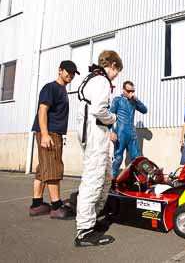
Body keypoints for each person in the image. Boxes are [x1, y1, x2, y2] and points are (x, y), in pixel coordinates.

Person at [74, 50, 123, 247]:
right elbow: (99, 110)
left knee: (104, 177)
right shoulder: (101, 81)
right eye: (116, 71)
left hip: (92, 132)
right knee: (93, 181)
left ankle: (92, 221)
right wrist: (113, 119)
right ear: (111, 65)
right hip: (95, 134)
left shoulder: (91, 78)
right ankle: (84, 231)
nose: (116, 75)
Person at [29, 60, 80, 219]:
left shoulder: (62, 90)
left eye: (73, 73)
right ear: (60, 70)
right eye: (68, 72)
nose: (70, 75)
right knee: (53, 168)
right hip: (49, 133)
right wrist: (45, 134)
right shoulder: (51, 87)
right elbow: (42, 110)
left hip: (53, 132)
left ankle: (37, 205)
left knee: (43, 169)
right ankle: (57, 207)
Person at [111, 81, 147, 179]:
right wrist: (112, 132)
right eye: (128, 91)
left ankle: (139, 180)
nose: (131, 93)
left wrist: (137, 100)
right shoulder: (117, 100)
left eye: (132, 91)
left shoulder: (133, 101)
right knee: (118, 158)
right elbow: (110, 116)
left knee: (137, 158)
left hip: (131, 133)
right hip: (120, 133)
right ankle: (111, 181)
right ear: (123, 90)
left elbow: (145, 110)